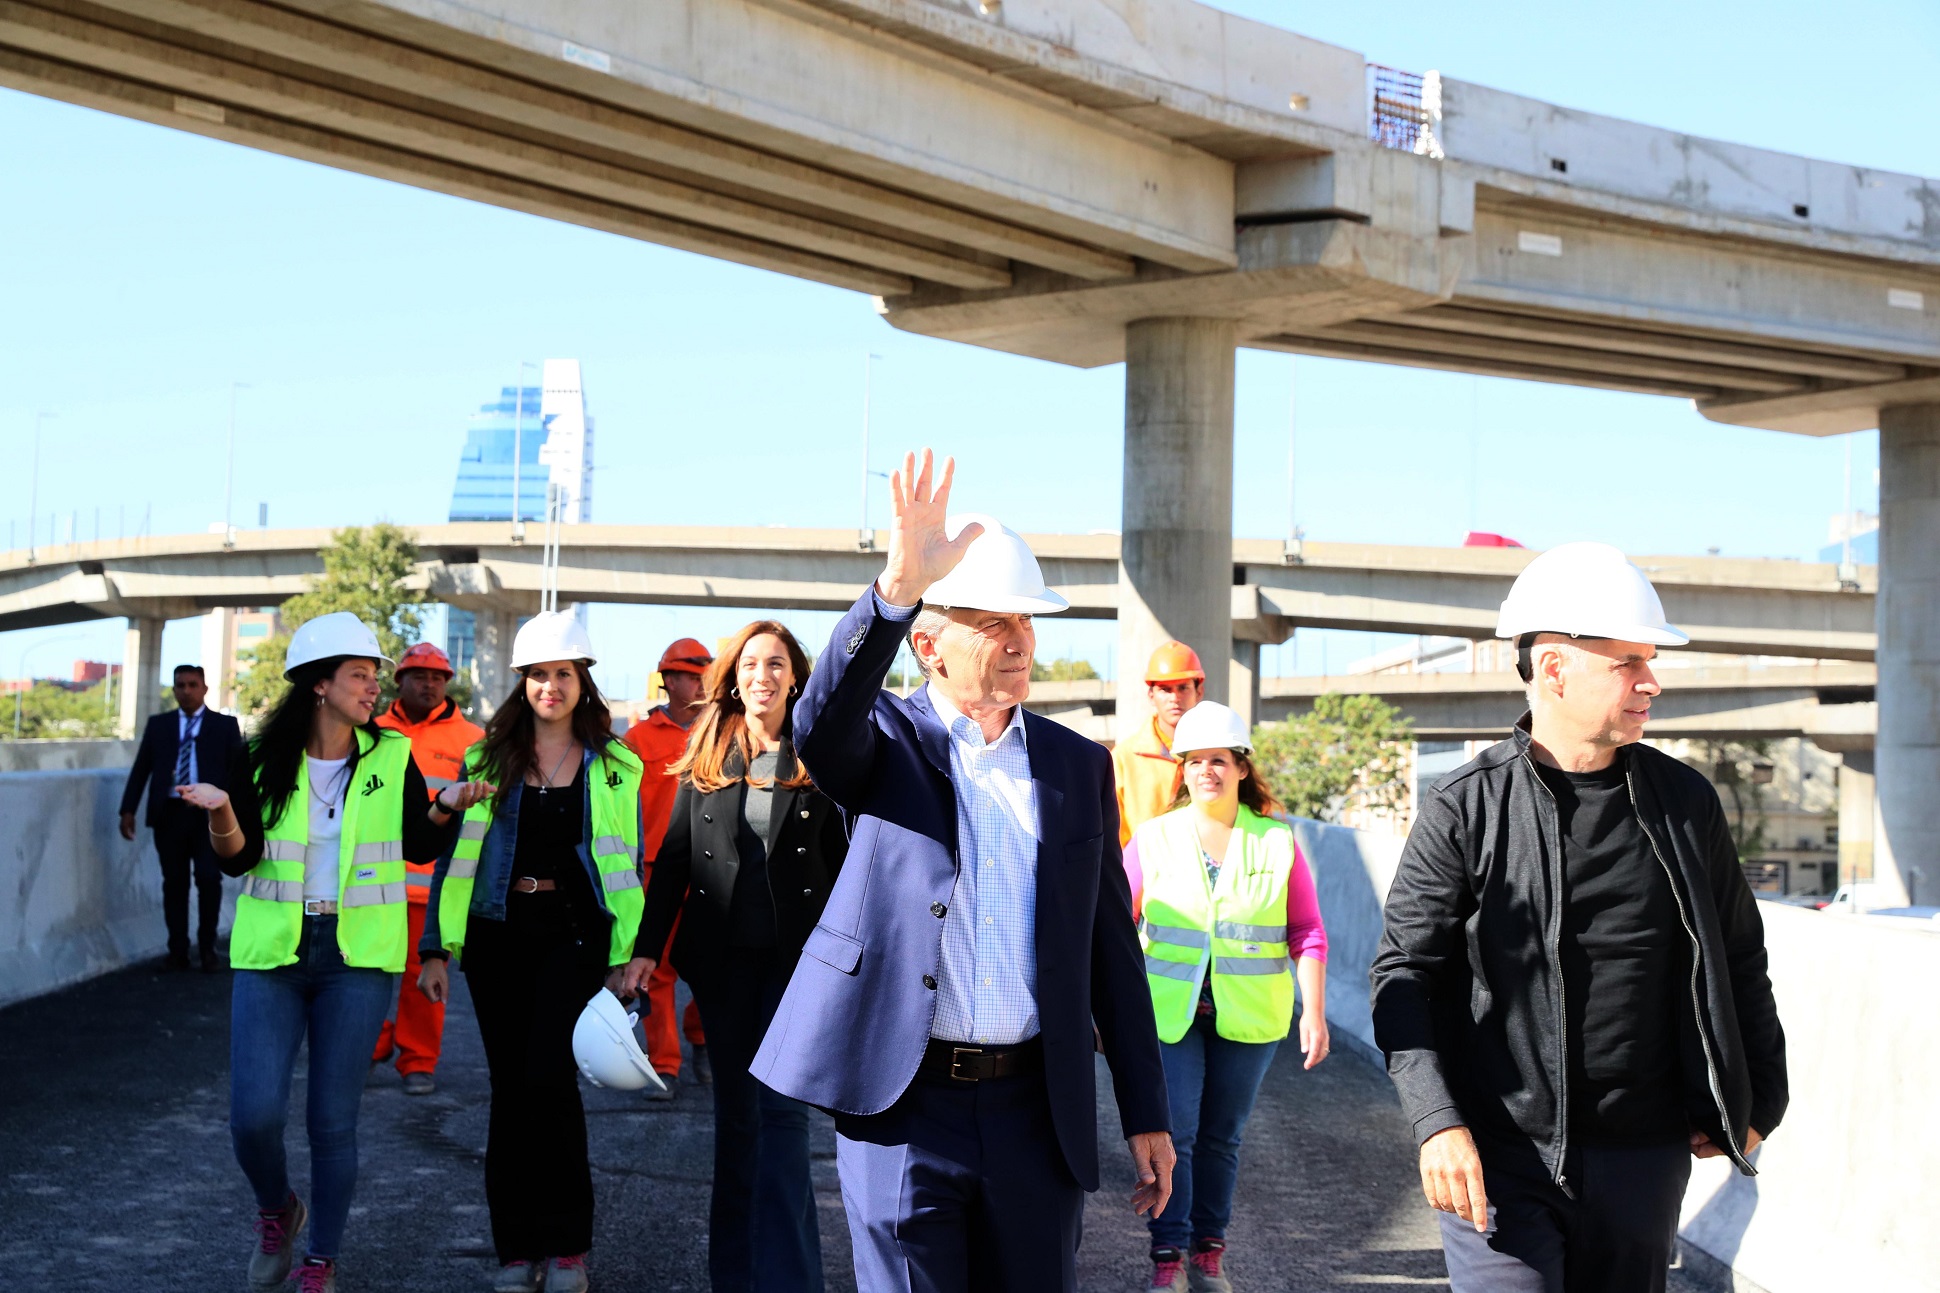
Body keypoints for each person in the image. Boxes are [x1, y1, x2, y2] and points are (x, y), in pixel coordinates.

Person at [750, 450, 1174, 1293]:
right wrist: (896, 587)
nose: (1020, 640)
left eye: (1027, 622)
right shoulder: (883, 743)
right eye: (995, 622)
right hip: (906, 1106)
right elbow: (819, 719)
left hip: (1033, 1111)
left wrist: (1146, 1112)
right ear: (931, 645)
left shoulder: (1076, 765)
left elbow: (1110, 953)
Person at [1369, 543, 1788, 1293]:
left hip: (1644, 1161)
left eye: (1650, 661)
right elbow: (1403, 975)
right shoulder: (1464, 808)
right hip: (1501, 1158)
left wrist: (1763, 1098)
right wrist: (1436, 1119)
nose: (1650, 682)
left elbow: (1738, 955)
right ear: (1554, 668)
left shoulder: (1686, 804)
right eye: (1628, 662)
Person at [176, 612, 485, 1293]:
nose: (373, 688)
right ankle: (277, 1208)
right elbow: (238, 861)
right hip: (273, 955)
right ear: (320, 684)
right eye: (360, 676)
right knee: (253, 1115)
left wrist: (447, 804)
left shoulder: (391, 755)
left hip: (357, 958)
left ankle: (321, 1258)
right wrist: (222, 811)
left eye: (375, 677)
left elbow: (419, 845)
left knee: (331, 1121)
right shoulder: (258, 757)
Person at [417, 611, 649, 1293]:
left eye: (563, 674)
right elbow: (454, 860)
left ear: (583, 681)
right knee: (511, 1090)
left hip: (575, 940)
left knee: (551, 1081)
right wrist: (435, 947)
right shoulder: (487, 758)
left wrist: (624, 955)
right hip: (497, 937)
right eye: (539, 674)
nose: (551, 685)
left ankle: (569, 1245)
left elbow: (626, 862)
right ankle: (517, 1248)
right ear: (521, 683)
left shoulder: (616, 763)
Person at [619, 621, 849, 1292]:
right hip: (722, 967)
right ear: (733, 675)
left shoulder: (822, 756)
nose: (763, 675)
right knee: (737, 1126)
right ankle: (737, 1277)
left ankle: (792, 1279)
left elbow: (847, 865)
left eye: (776, 663)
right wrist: (644, 953)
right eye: (751, 663)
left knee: (781, 1124)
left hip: (797, 968)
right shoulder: (709, 753)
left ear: (795, 676)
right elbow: (676, 862)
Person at [1123, 701, 1329, 1293]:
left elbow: (1306, 932)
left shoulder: (1276, 843)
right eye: (1194, 760)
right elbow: (1109, 922)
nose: (1206, 770)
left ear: (1241, 768)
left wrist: (1313, 1012)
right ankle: (1168, 1259)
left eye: (1219, 759)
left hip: (1253, 1015)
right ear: (1181, 770)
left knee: (1222, 1139)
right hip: (1169, 1015)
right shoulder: (1154, 838)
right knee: (1175, 1133)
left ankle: (1208, 1256)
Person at [371, 641, 484, 1094]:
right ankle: (368, 1047)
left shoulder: (472, 741)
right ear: (399, 682)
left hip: (433, 887)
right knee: (368, 974)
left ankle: (419, 1060)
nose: (430, 684)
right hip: (372, 883)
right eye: (420, 675)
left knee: (427, 976)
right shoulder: (371, 731)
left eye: (438, 677)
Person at [620, 637, 715, 1096]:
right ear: (668, 680)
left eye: (704, 676)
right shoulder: (636, 740)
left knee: (710, 966)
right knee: (655, 969)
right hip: (655, 870)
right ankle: (665, 1064)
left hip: (713, 870)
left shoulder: (721, 731)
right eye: (690, 675)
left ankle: (700, 1038)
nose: (699, 683)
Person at [119, 663, 246, 971]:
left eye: (192, 685)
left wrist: (239, 814)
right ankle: (177, 949)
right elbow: (142, 769)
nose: (186, 691)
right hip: (169, 815)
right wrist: (128, 809)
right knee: (174, 882)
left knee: (208, 877)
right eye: (180, 685)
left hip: (209, 817)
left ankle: (207, 947)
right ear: (173, 689)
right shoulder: (159, 725)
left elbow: (239, 774)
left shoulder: (224, 725)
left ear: (204, 688)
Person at [1113, 642, 1206, 846]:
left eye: (1183, 688)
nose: (1175, 698)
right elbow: (1114, 838)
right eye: (1165, 689)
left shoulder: (1216, 755)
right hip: (1143, 874)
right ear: (1151, 695)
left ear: (1199, 692)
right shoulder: (1124, 759)